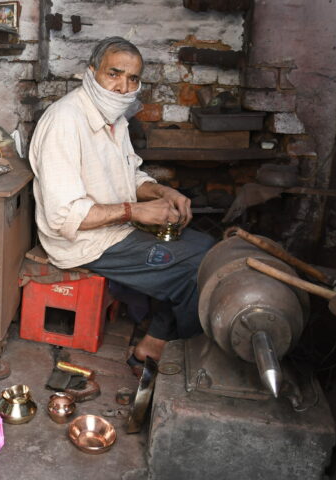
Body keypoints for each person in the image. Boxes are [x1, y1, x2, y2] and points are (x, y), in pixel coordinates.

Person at [28, 37, 214, 368]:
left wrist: (161, 192)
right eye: (113, 74)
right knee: (195, 269)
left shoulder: (116, 118)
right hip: (83, 242)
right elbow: (64, 216)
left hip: (117, 228)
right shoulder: (65, 121)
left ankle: (154, 339)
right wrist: (135, 211)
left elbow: (131, 177)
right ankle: (181, 354)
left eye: (132, 79)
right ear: (91, 72)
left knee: (208, 246)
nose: (122, 87)